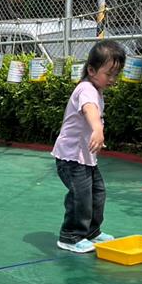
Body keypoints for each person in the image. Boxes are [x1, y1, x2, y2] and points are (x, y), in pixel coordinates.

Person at [51, 40, 125, 254]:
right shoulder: (86, 89)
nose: (112, 79)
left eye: (116, 74)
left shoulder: (96, 90)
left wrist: (96, 134)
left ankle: (91, 231)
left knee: (97, 193)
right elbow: (89, 109)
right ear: (91, 70)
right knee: (80, 196)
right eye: (108, 74)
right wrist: (97, 129)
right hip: (70, 157)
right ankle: (70, 236)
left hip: (84, 157)